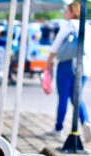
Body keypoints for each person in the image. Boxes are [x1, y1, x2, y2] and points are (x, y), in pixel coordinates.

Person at [45, 2, 91, 140]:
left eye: (66, 10)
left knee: (63, 97)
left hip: (67, 65)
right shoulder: (87, 26)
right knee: (76, 97)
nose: (65, 13)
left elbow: (55, 46)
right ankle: (86, 123)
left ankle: (58, 129)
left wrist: (48, 64)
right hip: (84, 67)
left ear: (72, 12)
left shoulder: (68, 25)